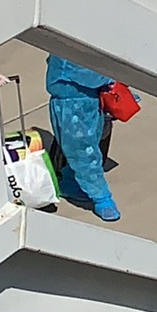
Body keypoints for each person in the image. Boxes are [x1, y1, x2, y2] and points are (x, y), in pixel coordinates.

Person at [45, 52, 120, 221]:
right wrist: (112, 78)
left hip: (88, 102)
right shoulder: (68, 50)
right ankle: (102, 198)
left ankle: (70, 183)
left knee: (91, 143)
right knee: (85, 154)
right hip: (72, 107)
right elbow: (85, 73)